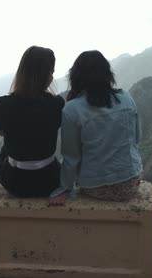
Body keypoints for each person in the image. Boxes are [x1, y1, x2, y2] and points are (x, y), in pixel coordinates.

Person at [50, 50, 143, 205]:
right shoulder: (126, 98)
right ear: (107, 74)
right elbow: (137, 138)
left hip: (96, 186)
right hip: (131, 182)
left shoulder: (72, 109)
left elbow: (72, 158)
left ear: (76, 76)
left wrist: (64, 188)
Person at [0, 46, 65, 197]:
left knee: (7, 143)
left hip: (14, 182)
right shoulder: (57, 103)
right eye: (51, 72)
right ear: (48, 75)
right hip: (49, 181)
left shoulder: (1, 104)